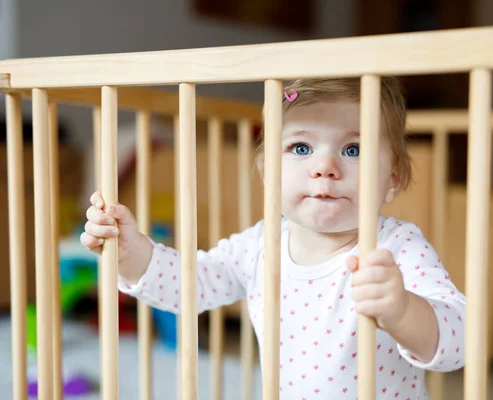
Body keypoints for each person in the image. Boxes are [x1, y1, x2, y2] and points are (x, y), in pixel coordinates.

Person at [81, 77, 466, 398]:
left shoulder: (397, 248)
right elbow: (191, 283)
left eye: (353, 149)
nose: (325, 167)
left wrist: (403, 311)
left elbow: (458, 340)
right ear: (268, 173)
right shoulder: (260, 244)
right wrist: (131, 253)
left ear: (393, 178)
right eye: (301, 147)